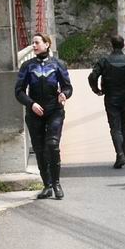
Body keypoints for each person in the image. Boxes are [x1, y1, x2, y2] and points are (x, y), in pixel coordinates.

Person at [15, 33, 73, 200]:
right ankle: (47, 185)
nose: (33, 46)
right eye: (32, 43)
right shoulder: (27, 66)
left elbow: (68, 87)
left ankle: (56, 183)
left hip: (54, 110)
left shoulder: (58, 64)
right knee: (39, 149)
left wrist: (64, 94)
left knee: (52, 145)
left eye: (37, 42)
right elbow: (18, 91)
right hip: (35, 112)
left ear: (47, 44)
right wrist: (31, 104)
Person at [88, 34, 125, 168]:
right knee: (124, 126)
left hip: (110, 97)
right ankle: (122, 153)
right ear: (123, 45)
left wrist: (96, 90)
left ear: (111, 45)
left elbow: (92, 76)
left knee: (115, 127)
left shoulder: (104, 61)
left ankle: (120, 154)